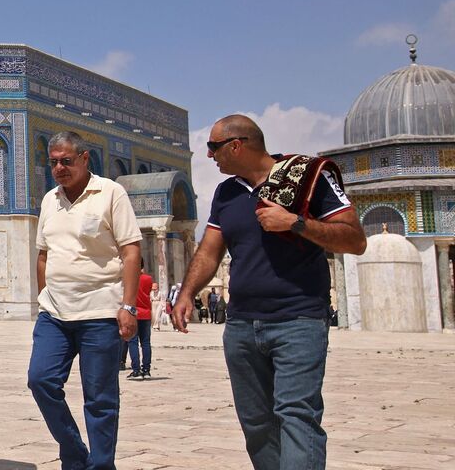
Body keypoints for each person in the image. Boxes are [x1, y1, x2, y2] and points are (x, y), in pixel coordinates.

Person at [171, 115, 367, 470]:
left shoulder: (308, 178)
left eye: (214, 147)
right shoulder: (227, 192)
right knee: (257, 423)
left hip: (298, 319)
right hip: (243, 324)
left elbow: (355, 240)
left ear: (237, 145)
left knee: (296, 416)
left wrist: (295, 223)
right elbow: (209, 250)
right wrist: (186, 294)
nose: (209, 155)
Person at [29, 131, 141, 470]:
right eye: (53, 163)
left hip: (101, 312)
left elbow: (130, 250)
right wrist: (42, 298)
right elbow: (43, 255)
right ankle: (75, 454)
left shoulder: (110, 193)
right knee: (40, 380)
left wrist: (128, 305)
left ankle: (101, 465)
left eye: (66, 160)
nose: (60, 168)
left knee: (100, 398)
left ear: (84, 158)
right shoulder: (50, 199)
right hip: (55, 314)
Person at [126, 259, 154, 379]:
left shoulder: (128, 278)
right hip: (146, 313)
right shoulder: (148, 279)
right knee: (146, 343)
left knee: (133, 342)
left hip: (133, 312)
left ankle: (136, 370)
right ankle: (146, 370)